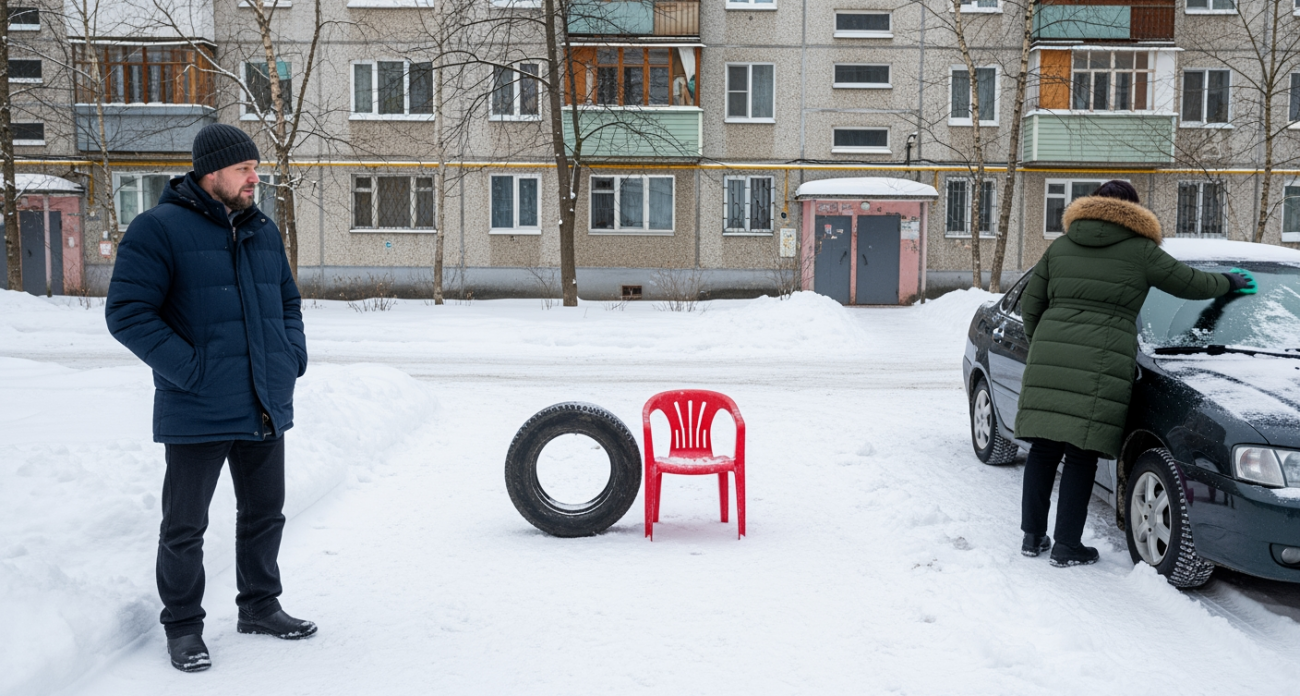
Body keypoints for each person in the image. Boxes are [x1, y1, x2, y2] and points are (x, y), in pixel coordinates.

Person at [106, 123, 316, 672]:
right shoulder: (157, 229)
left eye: (255, 168)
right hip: (197, 405)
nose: (255, 177)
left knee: (264, 513)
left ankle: (261, 606)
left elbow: (288, 303)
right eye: (245, 169)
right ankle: (182, 628)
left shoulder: (261, 228)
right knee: (185, 526)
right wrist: (192, 371)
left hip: (264, 398)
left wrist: (290, 358)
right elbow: (127, 314)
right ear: (212, 172)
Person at [1014, 180, 1253, 568]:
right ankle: (1066, 546)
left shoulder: (1060, 246)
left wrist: (1042, 343)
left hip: (1049, 355)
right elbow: (1188, 283)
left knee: (1043, 450)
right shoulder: (1141, 250)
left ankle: (1031, 537)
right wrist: (1229, 283)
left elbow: (1031, 304)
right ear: (1134, 211)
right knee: (1080, 454)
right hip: (1100, 360)